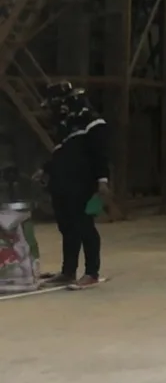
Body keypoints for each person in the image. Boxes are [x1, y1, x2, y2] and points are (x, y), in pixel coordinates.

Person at [38, 84, 110, 289]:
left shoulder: (92, 122)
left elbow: (100, 152)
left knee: (84, 225)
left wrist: (103, 180)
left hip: (83, 184)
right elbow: (61, 154)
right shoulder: (66, 127)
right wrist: (45, 170)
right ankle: (68, 271)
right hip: (63, 184)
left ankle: (91, 272)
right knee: (67, 227)